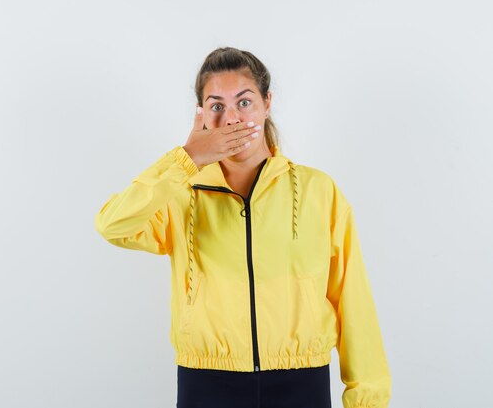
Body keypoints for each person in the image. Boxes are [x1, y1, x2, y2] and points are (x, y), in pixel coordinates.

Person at [94, 47, 391, 408]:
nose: (231, 118)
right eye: (217, 106)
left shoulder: (318, 190)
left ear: (267, 103)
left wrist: (367, 398)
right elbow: (113, 224)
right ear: (201, 116)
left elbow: (352, 299)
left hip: (301, 383)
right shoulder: (181, 193)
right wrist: (185, 160)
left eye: (244, 102)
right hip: (207, 383)